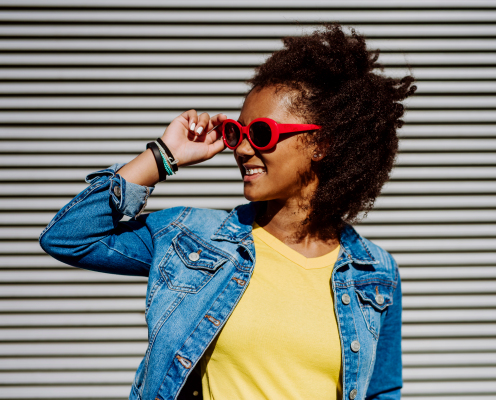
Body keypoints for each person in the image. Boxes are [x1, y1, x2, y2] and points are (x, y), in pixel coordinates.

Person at [39, 24, 416, 400]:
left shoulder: (375, 272)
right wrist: (163, 156)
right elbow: (69, 237)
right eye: (238, 132)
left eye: (262, 134)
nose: (243, 149)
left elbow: (382, 391)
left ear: (320, 144)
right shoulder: (192, 237)